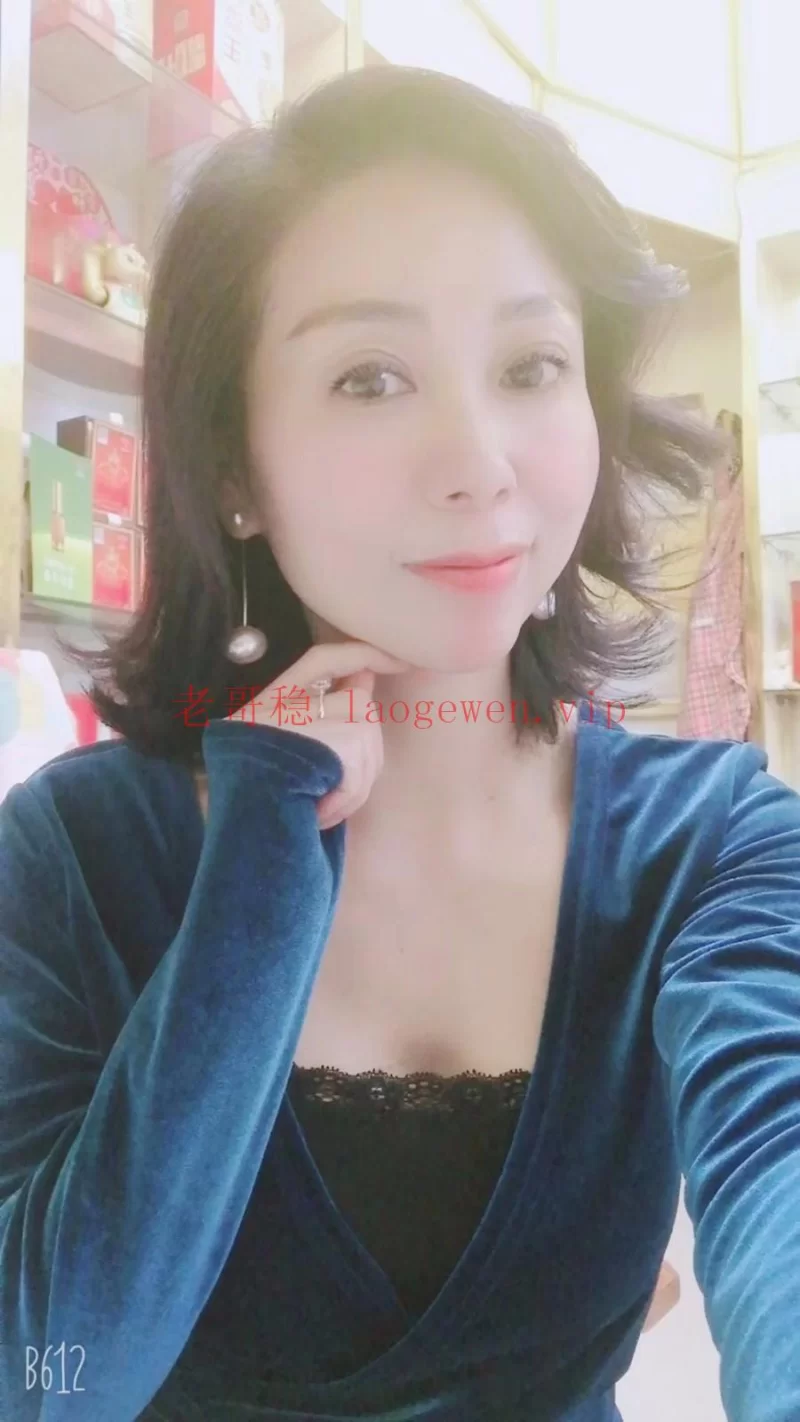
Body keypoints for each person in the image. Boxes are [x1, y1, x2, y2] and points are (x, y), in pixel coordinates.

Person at [1, 65, 799, 1422]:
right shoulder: (76, 852)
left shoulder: (711, 838)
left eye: (532, 366)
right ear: (234, 466)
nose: (479, 459)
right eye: (370, 377)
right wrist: (263, 853)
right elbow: (45, 1373)